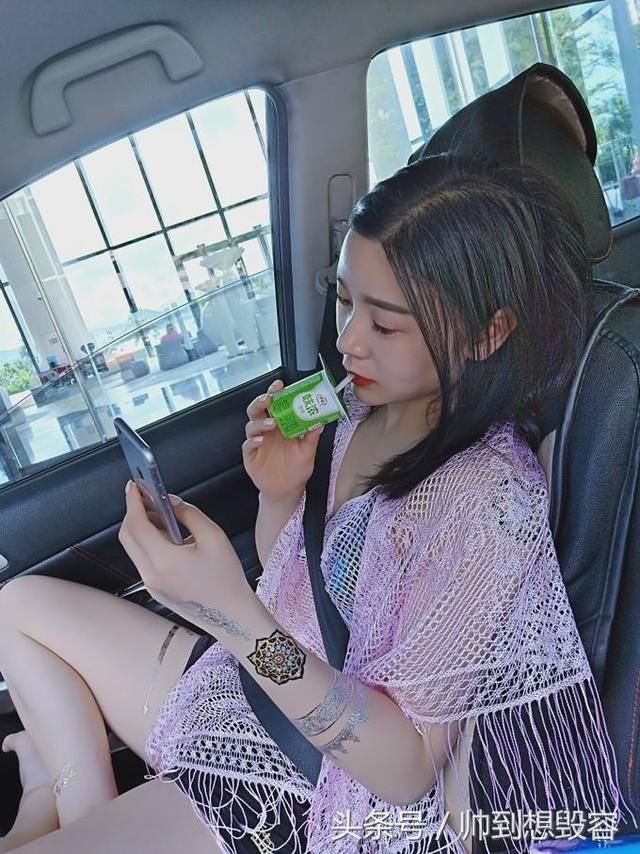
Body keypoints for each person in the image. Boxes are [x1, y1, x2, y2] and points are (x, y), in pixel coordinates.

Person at [0, 155, 633, 854]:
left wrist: (233, 614)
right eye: (344, 300)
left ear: (488, 333)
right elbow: (299, 583)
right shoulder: (353, 409)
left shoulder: (487, 499)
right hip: (248, 688)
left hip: (318, 784)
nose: (348, 340)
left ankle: (45, 805)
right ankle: (67, 796)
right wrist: (280, 492)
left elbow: (404, 772)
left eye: (385, 325)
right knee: (18, 606)